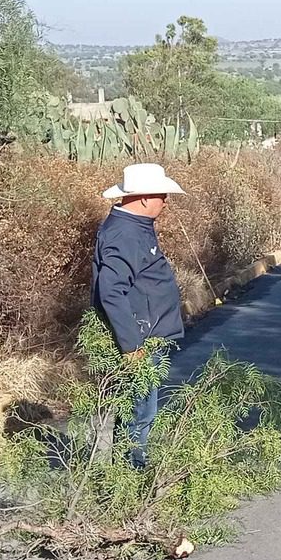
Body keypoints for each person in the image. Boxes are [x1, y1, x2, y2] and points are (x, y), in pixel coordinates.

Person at [93, 163, 188, 469]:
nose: (166, 201)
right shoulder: (126, 233)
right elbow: (111, 291)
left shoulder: (135, 227)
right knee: (139, 412)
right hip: (141, 340)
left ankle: (130, 471)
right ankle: (131, 476)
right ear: (145, 197)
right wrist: (132, 345)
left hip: (147, 335)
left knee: (141, 409)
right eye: (162, 194)